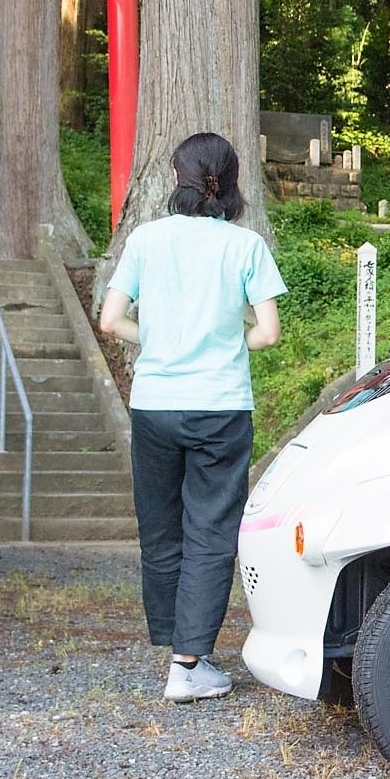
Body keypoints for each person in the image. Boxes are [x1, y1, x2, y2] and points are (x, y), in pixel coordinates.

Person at [99, 132, 286, 702]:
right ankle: (188, 661)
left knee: (161, 525)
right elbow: (269, 333)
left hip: (155, 403)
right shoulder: (245, 246)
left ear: (177, 179)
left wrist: (155, 340)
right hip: (220, 406)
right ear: (230, 182)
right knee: (210, 528)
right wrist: (228, 341)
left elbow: (110, 321)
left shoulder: (146, 239)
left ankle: (174, 640)